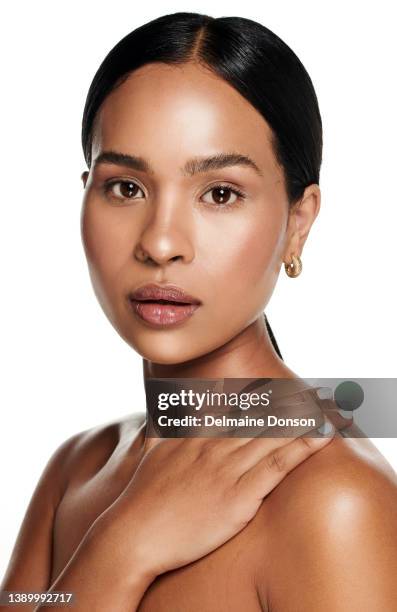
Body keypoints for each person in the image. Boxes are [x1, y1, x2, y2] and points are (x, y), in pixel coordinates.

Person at [1, 11, 396, 611]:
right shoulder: (77, 470)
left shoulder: (335, 504)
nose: (160, 243)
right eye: (126, 187)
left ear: (298, 223)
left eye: (220, 194)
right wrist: (120, 547)